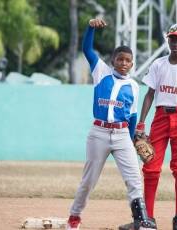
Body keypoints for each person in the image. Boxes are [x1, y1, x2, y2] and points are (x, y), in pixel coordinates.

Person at [66, 18, 156, 230]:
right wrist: (90, 27)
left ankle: (141, 220)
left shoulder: (134, 86)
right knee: (89, 181)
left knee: (134, 178)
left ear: (132, 64)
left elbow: (132, 116)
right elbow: (87, 49)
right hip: (98, 133)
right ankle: (74, 216)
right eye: (120, 59)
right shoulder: (101, 72)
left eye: (128, 61)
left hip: (123, 135)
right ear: (113, 60)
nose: (124, 63)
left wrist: (134, 139)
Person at [122, 23, 177, 230]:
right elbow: (149, 95)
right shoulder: (158, 64)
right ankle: (148, 219)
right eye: (171, 39)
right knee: (150, 168)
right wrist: (141, 123)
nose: (174, 43)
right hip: (160, 117)